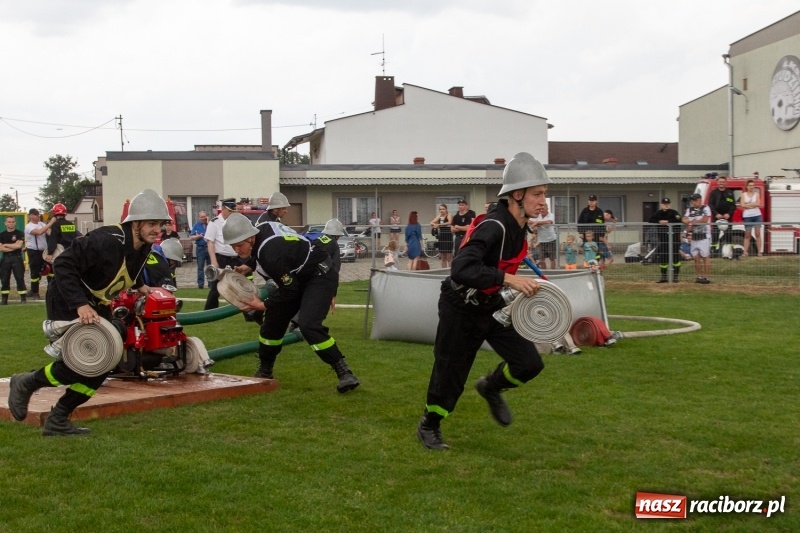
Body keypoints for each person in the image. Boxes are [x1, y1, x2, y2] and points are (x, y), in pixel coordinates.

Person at [8, 189, 170, 436]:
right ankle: (27, 382)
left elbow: (127, 267)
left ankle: (58, 418)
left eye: (160, 224)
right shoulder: (106, 239)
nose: (157, 230)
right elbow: (62, 264)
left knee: (105, 361)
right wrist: (80, 304)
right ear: (135, 223)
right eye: (151, 224)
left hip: (94, 301)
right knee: (79, 363)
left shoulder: (143, 245)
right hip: (67, 297)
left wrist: (140, 285)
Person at [416, 152, 548, 451]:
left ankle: (490, 386)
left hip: (490, 305)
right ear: (517, 195)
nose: (543, 201)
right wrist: (509, 279)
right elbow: (460, 268)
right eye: (537, 194)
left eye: (544, 194)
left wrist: (512, 284)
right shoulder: (494, 225)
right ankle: (429, 425)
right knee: (450, 373)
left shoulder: (519, 227)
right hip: (459, 307)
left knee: (528, 364)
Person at [222, 213, 360, 393]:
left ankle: (344, 372)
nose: (236, 250)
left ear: (250, 237)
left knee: (308, 325)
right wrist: (247, 266)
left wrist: (262, 305)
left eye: (239, 245)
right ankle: (265, 370)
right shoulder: (262, 230)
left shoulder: (270, 253)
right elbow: (270, 256)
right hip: (298, 276)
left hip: (320, 276)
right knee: (272, 324)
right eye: (232, 246)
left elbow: (289, 289)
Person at [203, 199, 243, 309]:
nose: (232, 214)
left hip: (235, 258)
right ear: (223, 209)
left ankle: (249, 312)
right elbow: (210, 242)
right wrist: (214, 261)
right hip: (221, 258)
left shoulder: (235, 222)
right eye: (230, 211)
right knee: (216, 288)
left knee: (241, 286)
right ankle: (209, 311)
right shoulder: (214, 222)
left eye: (233, 211)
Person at [648, 198, 683, 283]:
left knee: (675, 259)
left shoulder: (674, 212)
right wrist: (659, 221)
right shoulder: (658, 213)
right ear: (661, 205)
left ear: (669, 204)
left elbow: (679, 219)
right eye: (664, 204)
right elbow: (650, 220)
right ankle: (664, 277)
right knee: (663, 259)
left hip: (674, 240)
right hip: (663, 240)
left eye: (667, 204)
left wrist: (668, 221)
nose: (666, 205)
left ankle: (675, 277)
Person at [24, 208, 55, 300]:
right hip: (34, 251)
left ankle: (51, 290)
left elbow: (49, 233)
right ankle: (35, 292)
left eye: (38, 214)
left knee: (50, 270)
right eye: (35, 215)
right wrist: (50, 223)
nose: (38, 216)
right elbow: (39, 232)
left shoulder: (41, 224)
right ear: (30, 216)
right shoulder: (28, 226)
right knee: (35, 272)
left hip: (44, 251)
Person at [683, 193, 712, 284]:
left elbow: (705, 220)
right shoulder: (690, 209)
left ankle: (707, 277)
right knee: (696, 257)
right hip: (694, 237)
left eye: (695, 200)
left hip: (704, 236)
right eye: (692, 200)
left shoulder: (705, 208)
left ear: (700, 200)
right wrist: (690, 222)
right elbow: (684, 219)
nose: (693, 202)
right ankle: (698, 276)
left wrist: (693, 222)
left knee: (705, 256)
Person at [1, 216, 28, 305]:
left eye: (13, 222)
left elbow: (19, 246)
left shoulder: (19, 233)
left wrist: (5, 245)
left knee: (19, 278)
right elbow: (1, 248)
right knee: (4, 279)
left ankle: (23, 298)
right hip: (5, 258)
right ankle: (4, 299)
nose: (11, 223)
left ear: (15, 223)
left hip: (17, 258)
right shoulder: (1, 235)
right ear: (5, 223)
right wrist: (13, 246)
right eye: (9, 222)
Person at [707, 176, 736, 249]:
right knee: (715, 235)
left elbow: (733, 205)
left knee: (729, 235)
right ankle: (713, 250)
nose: (721, 183)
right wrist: (716, 214)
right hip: (716, 217)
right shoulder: (713, 193)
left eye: (723, 182)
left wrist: (729, 213)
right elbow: (710, 204)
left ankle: (730, 250)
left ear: (726, 183)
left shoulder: (730, 193)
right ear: (717, 182)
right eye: (720, 182)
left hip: (727, 217)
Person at [740, 179, 763, 256]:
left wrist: (748, 204)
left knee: (758, 233)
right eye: (750, 185)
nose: (751, 187)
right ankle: (745, 252)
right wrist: (752, 204)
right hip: (747, 216)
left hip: (757, 215)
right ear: (746, 186)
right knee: (747, 234)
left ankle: (759, 252)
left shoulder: (757, 194)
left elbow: (758, 204)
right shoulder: (743, 195)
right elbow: (742, 205)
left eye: (753, 185)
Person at [530, 203, 557, 269]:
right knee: (541, 259)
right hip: (541, 240)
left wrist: (537, 223)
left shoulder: (551, 215)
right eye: (540, 209)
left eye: (543, 208)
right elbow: (528, 220)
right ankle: (544, 272)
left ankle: (552, 272)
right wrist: (535, 223)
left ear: (547, 208)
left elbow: (549, 222)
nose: (541, 210)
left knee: (552, 259)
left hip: (551, 240)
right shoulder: (538, 216)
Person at [189, 211, 210, 288]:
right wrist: (198, 236)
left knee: (210, 267)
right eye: (202, 217)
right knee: (200, 267)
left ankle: (211, 284)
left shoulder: (210, 225)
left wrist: (208, 222)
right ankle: (200, 284)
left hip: (209, 248)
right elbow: (191, 238)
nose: (203, 218)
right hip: (200, 248)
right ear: (199, 218)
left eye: (204, 216)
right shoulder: (196, 226)